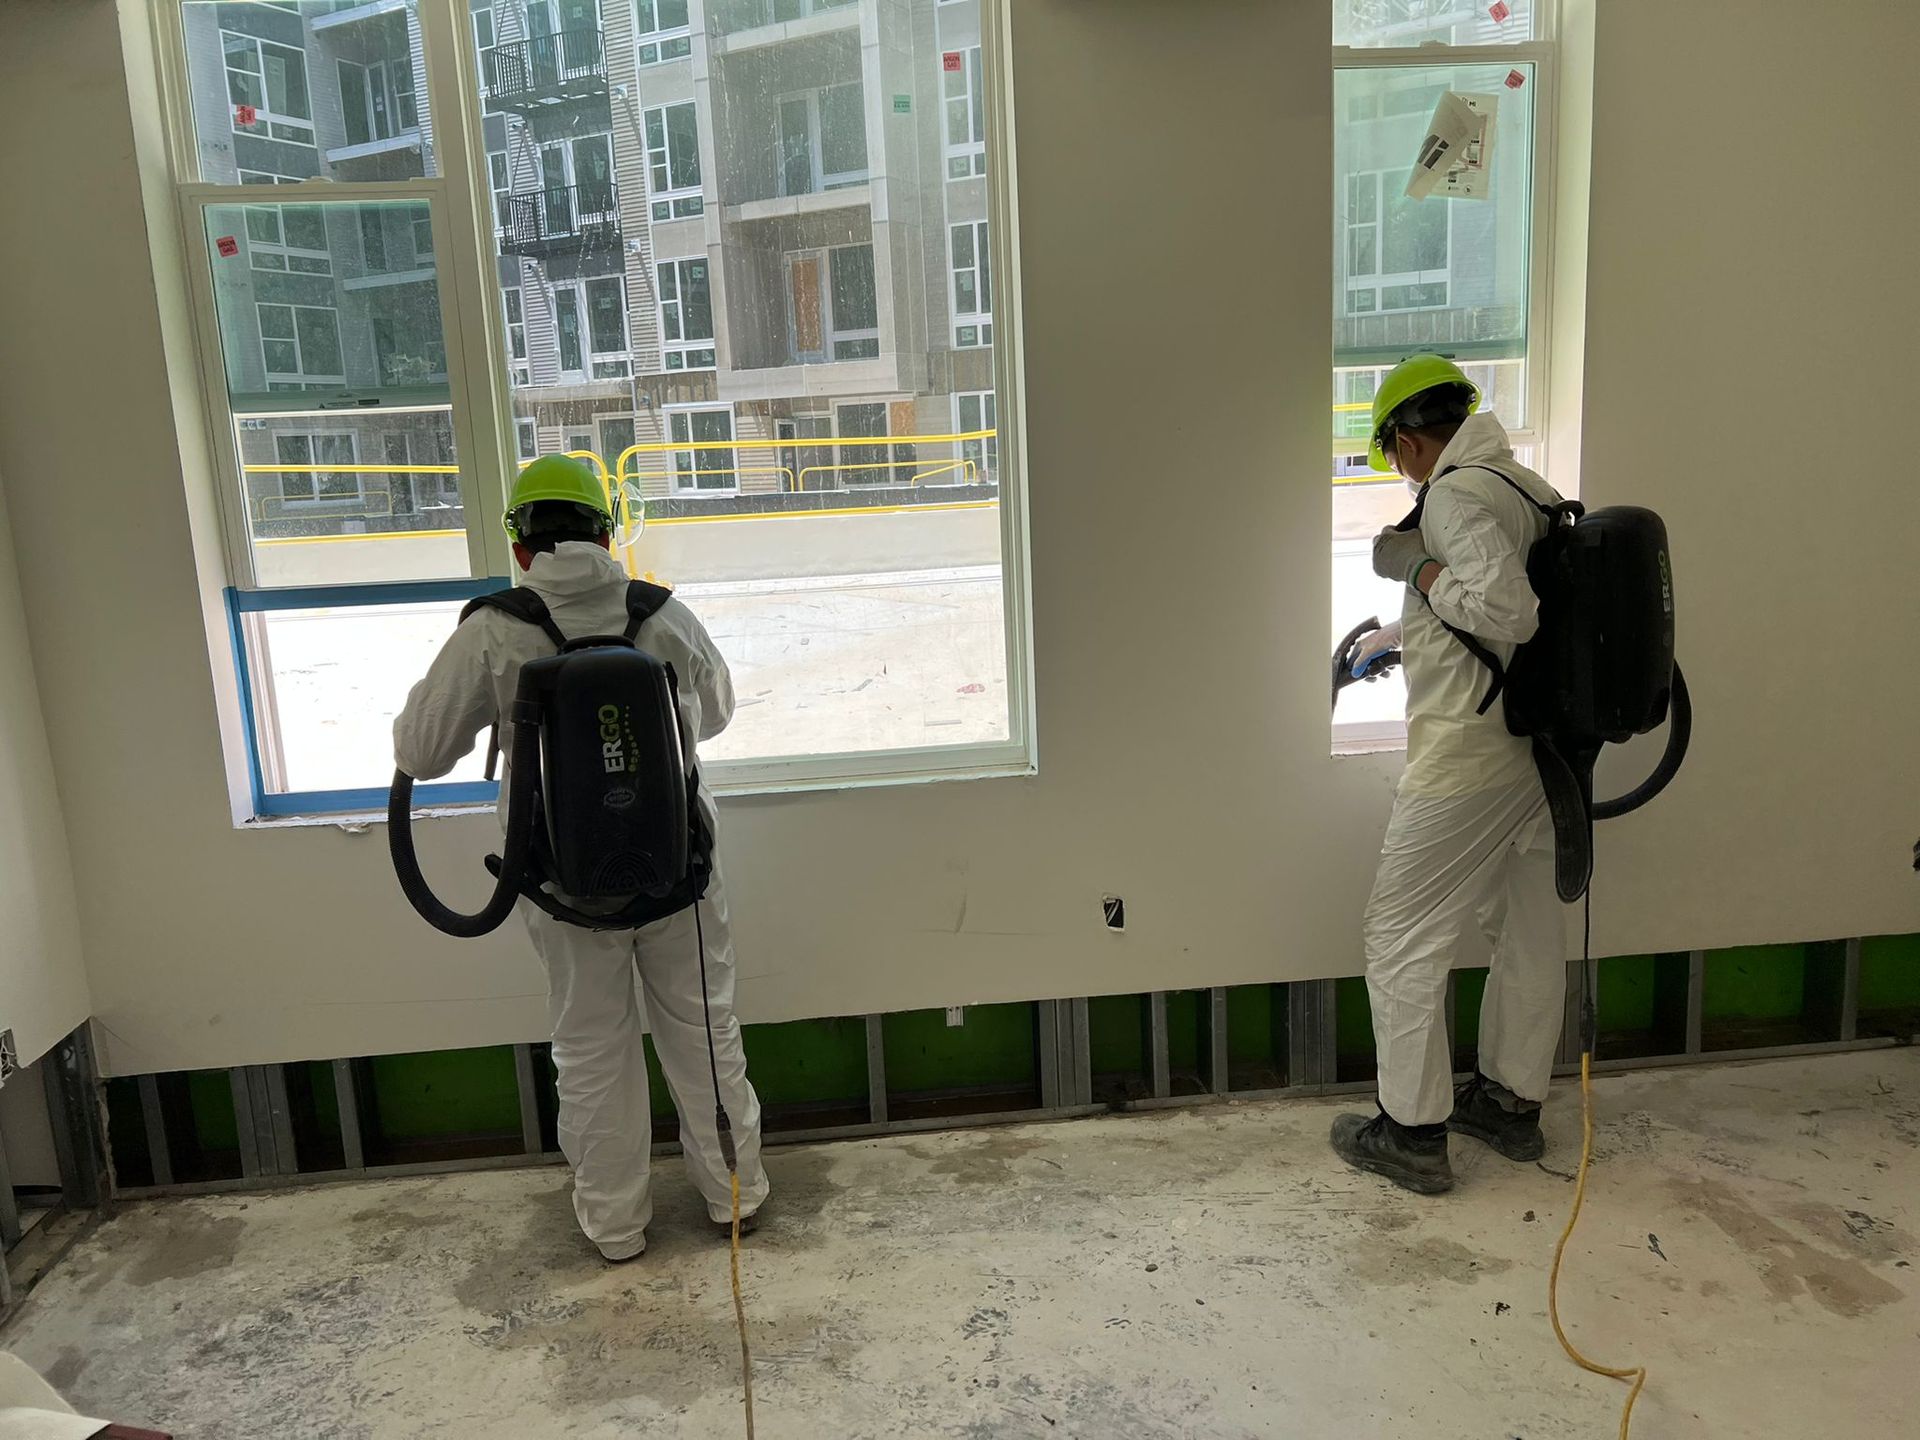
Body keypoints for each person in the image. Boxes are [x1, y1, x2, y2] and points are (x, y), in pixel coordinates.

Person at [394, 455, 770, 1259]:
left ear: (521, 546)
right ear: (605, 533)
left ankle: (616, 1229)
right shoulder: (661, 614)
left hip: (560, 890)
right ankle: (734, 1200)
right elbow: (720, 715)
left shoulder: (494, 629)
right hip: (681, 880)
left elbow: (422, 752)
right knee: (705, 1035)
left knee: (591, 1053)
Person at [1330, 356, 1567, 1196]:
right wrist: (1398, 641)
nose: (1399, 469)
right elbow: (1500, 616)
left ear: (1407, 435)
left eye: (1393, 452)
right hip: (1537, 754)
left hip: (1468, 760)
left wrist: (1414, 568)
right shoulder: (1523, 484)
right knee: (1526, 931)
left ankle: (1412, 1135)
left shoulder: (1459, 494)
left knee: (1398, 938)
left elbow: (1510, 611)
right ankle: (1508, 1104)